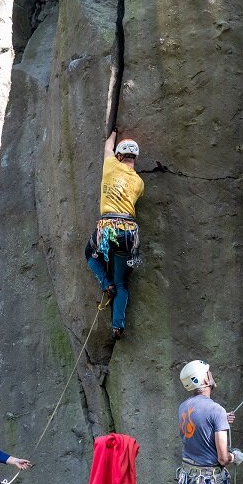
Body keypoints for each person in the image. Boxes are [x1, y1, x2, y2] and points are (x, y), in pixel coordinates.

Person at [84, 127, 144, 340]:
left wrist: (113, 133)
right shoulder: (139, 182)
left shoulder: (110, 165)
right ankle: (117, 326)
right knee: (122, 284)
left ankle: (104, 283)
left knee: (89, 254)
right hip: (128, 234)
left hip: (107, 229)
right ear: (134, 157)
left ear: (119, 156)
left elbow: (107, 147)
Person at [169, 361, 243, 484]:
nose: (211, 375)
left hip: (187, 478)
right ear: (204, 380)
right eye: (208, 373)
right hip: (209, 481)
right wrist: (235, 456)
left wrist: (221, 420)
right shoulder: (215, 410)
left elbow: (199, 426)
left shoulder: (183, 407)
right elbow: (223, 458)